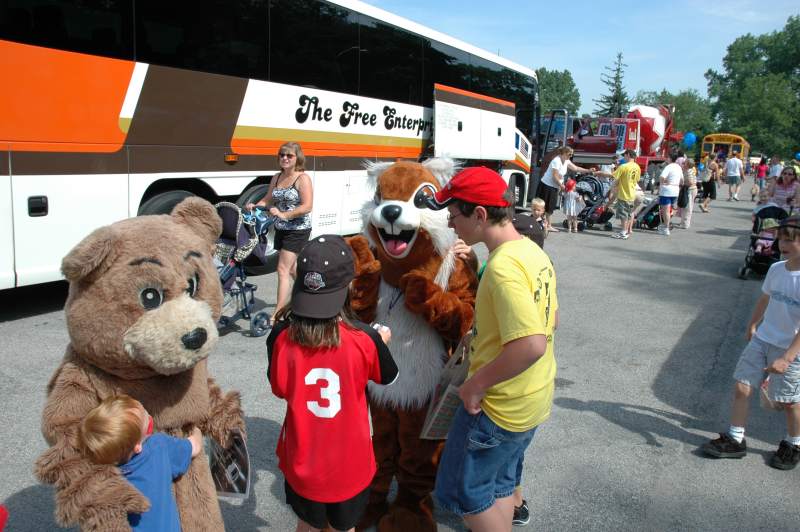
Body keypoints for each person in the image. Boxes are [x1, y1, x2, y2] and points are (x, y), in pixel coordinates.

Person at [429, 167, 558, 532]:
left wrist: (476, 384)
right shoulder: (532, 253)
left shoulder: (502, 269)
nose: (451, 224)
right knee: (498, 485)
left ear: (480, 215)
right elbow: (552, 320)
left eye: (454, 215)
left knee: (466, 495)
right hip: (532, 397)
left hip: (499, 406)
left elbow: (531, 344)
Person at [267, 235, 399, 532]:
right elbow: (389, 377)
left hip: (302, 460)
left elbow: (279, 389)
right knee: (343, 528)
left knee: (307, 524)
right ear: (349, 285)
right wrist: (381, 342)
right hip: (350, 466)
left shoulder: (281, 336)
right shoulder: (365, 338)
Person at [702, 216, 800, 470]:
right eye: (781, 238)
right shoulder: (776, 269)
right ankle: (736, 438)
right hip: (763, 339)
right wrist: (753, 324)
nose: (783, 244)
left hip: (791, 349)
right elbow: (765, 299)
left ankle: (794, 443)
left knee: (788, 402)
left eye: (790, 239)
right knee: (742, 387)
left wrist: (787, 357)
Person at [77, 395, 204, 531]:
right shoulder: (158, 447)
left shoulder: (99, 480)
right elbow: (194, 447)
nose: (147, 413)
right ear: (137, 447)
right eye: (147, 420)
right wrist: (197, 430)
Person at [246, 141, 313, 323]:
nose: (284, 158)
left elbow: (307, 206)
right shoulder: (276, 177)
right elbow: (268, 200)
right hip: (281, 229)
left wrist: (285, 215)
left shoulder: (302, 179)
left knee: (282, 269)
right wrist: (255, 206)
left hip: (298, 229)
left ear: (296, 158)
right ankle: (310, 293)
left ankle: (277, 314)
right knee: (291, 268)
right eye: (282, 155)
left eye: (289, 155)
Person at [535, 146, 595, 232]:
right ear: (563, 153)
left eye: (571, 154)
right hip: (546, 185)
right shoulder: (556, 161)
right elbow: (554, 176)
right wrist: (561, 185)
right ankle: (546, 225)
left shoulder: (566, 161)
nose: (570, 156)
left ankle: (546, 225)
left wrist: (588, 170)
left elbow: (576, 168)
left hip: (554, 186)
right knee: (544, 206)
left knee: (550, 207)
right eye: (569, 154)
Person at [607, 149, 641, 239]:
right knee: (629, 214)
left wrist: (600, 173)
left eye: (624, 155)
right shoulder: (637, 166)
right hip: (632, 193)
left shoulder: (623, 166)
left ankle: (623, 232)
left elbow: (613, 176)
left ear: (628, 155)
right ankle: (625, 231)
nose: (623, 157)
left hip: (624, 193)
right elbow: (637, 180)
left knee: (623, 215)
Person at [657, 153, 684, 236]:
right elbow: (682, 180)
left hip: (666, 191)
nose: (666, 159)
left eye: (667, 157)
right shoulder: (678, 167)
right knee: (670, 209)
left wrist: (663, 183)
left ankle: (666, 227)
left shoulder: (668, 167)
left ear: (670, 158)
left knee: (666, 211)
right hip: (675, 191)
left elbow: (661, 177)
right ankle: (666, 224)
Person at [678, 159, 698, 229]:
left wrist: (683, 184)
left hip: (690, 190)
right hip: (689, 189)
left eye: (685, 163)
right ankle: (683, 222)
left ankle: (685, 224)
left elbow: (690, 182)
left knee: (688, 207)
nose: (683, 163)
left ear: (688, 164)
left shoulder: (689, 171)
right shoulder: (688, 170)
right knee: (685, 206)